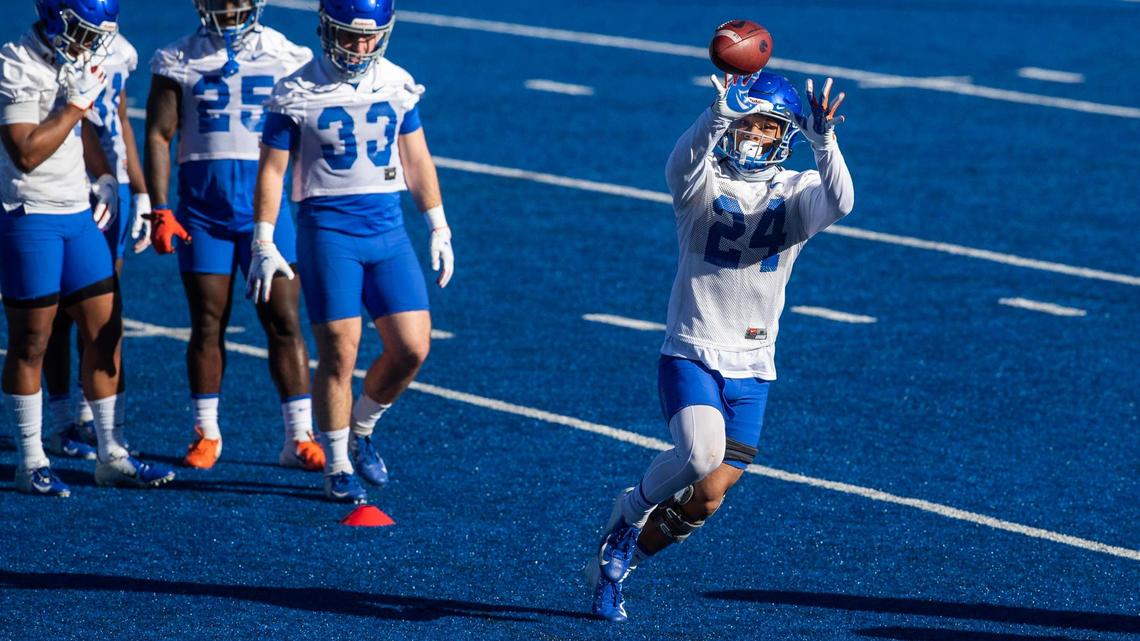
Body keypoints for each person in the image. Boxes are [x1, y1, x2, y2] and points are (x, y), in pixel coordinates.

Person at [587, 71, 854, 621]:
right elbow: (679, 163)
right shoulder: (701, 184)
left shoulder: (797, 189)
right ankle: (629, 513)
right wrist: (715, 114)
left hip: (755, 365)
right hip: (693, 349)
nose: (755, 133)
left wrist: (825, 140)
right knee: (700, 454)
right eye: (747, 121)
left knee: (707, 497)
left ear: (786, 133)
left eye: (767, 124)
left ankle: (620, 566)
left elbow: (843, 202)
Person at [248, 0, 455, 503]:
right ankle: (336, 463)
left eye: (369, 37)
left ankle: (360, 428)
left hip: (387, 228)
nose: (360, 47)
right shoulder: (296, 89)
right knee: (340, 351)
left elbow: (417, 159)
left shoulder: (397, 81)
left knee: (412, 347)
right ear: (325, 30)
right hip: (328, 231)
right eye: (349, 36)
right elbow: (272, 170)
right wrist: (263, 237)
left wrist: (438, 224)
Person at [0, 0, 175, 496]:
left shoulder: (79, 59)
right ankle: (31, 458)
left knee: (107, 330)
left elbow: (92, 129)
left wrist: (104, 175)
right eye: (80, 29)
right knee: (31, 341)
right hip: (29, 215)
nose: (90, 42)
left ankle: (110, 452)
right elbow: (26, 152)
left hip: (78, 213)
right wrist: (73, 105)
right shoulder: (14, 62)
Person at [144, 0, 324, 471]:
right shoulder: (176, 58)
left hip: (266, 211)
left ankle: (299, 436)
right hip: (203, 211)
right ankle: (207, 431)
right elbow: (160, 134)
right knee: (207, 321)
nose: (228, 7)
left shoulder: (289, 55)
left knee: (283, 319)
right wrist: (160, 207)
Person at [42, 30, 151, 461]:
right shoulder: (43, 49)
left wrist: (141, 192)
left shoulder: (123, 50)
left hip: (113, 184)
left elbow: (121, 120)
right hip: (63, 180)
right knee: (55, 315)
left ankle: (91, 418)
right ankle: (59, 420)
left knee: (103, 306)